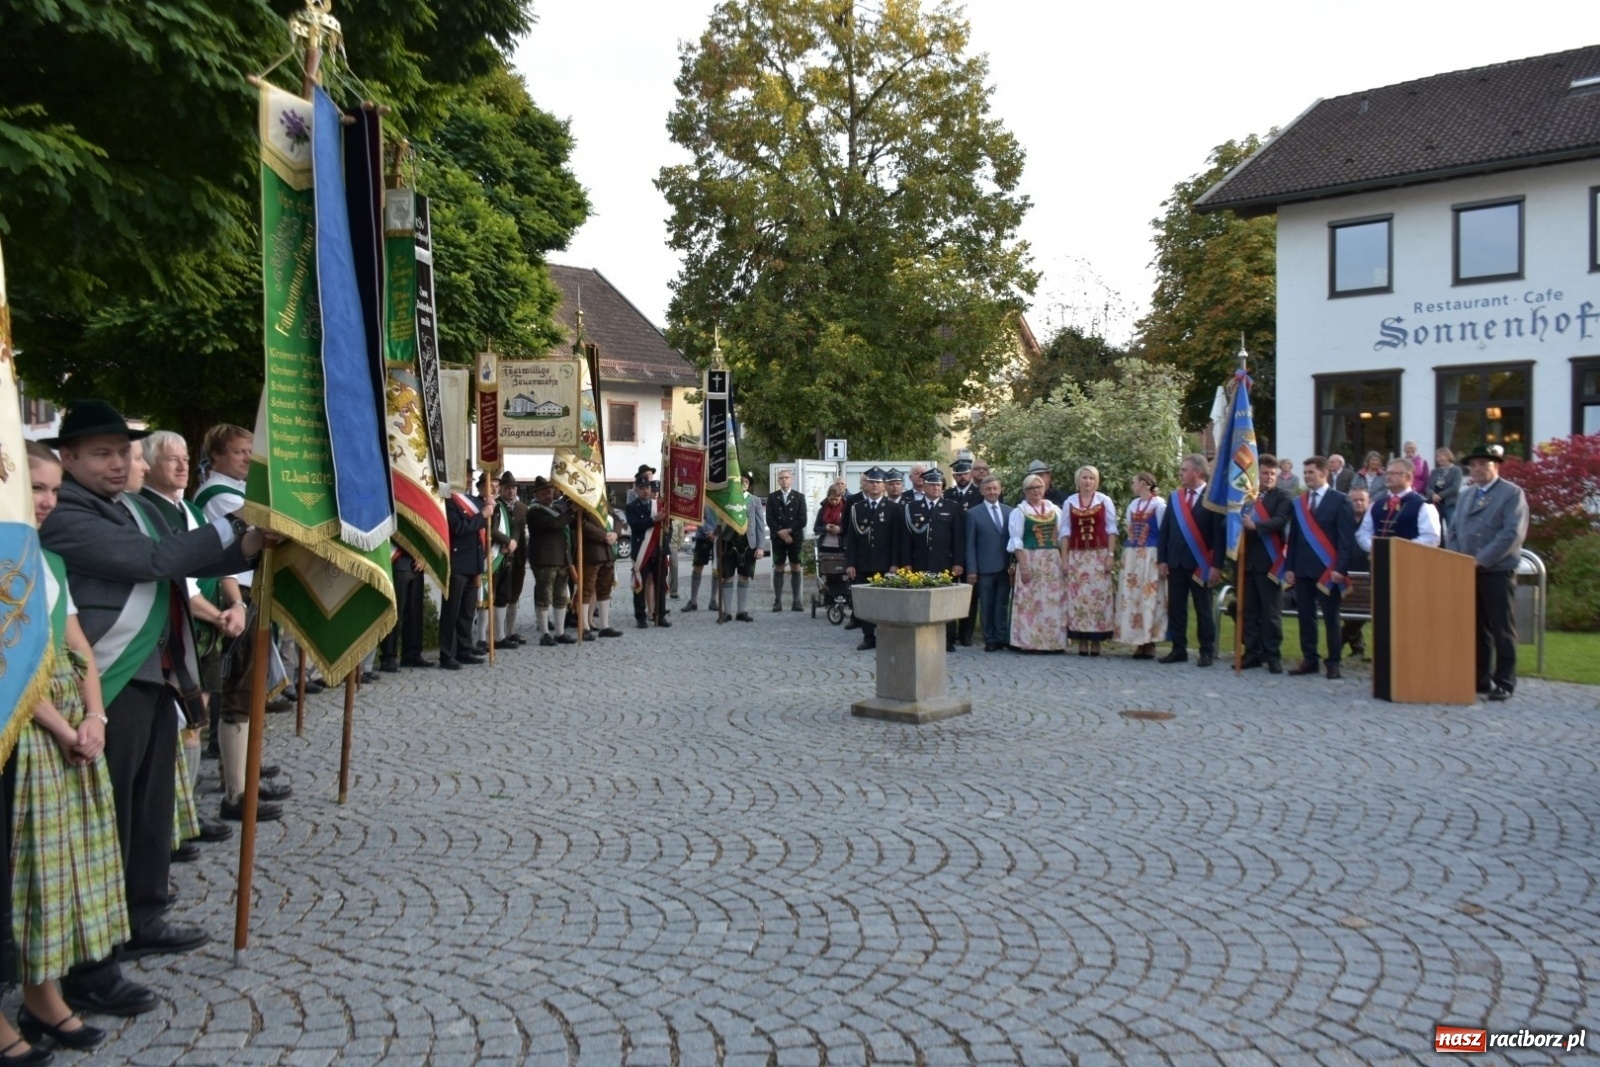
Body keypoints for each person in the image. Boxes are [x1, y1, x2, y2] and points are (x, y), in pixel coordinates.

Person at [39, 400, 269, 1017]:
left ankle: (142, 914)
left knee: (148, 814)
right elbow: (154, 562)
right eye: (102, 454)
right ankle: (92, 961)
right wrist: (239, 522)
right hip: (108, 684)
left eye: (124, 452)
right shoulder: (64, 516)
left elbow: (188, 559)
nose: (119, 464)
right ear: (69, 460)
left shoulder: (131, 508)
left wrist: (255, 537)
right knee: (105, 824)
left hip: (152, 677)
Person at [11, 443, 125, 1054]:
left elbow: (79, 646)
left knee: (67, 865)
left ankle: (45, 993)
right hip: (29, 728)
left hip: (74, 723)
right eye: (34, 487)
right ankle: (38, 996)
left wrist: (97, 714)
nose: (47, 500)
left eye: (53, 489)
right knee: (33, 869)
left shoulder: (48, 561)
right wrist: (62, 726)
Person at [1446, 444, 1529, 701]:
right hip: (1466, 570)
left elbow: (1511, 534)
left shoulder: (1512, 494)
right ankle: (1479, 679)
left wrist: (1480, 560)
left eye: (1485, 464)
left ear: (1497, 466)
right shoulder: (1466, 494)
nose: (1478, 468)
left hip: (1496, 570)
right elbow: (1453, 531)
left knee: (1501, 627)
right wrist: (1460, 558)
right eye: (1474, 465)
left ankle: (1504, 681)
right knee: (1477, 628)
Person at [1285, 456, 1357, 679]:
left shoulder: (1341, 500)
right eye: (1305, 473)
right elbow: (1294, 538)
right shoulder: (1300, 502)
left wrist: (1340, 569)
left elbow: (1346, 539)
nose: (1307, 476)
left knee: (1331, 618)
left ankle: (1333, 662)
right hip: (1303, 569)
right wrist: (1289, 567)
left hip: (1329, 570)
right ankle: (1310, 659)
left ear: (1324, 474)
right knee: (1306, 616)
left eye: (1311, 473)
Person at [1157, 453, 1226, 666]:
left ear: (1197, 472)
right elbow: (1165, 530)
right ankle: (1179, 649)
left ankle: (1206, 650)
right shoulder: (1175, 497)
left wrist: (1216, 566)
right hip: (1176, 562)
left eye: (1184, 469)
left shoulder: (1212, 498)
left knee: (1203, 608)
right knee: (1176, 608)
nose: (1181, 473)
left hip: (1200, 564)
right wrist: (1162, 559)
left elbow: (1219, 536)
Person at [1236, 455, 1292, 672]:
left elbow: (1280, 520)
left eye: (1272, 474)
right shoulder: (1247, 497)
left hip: (1271, 562)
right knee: (1249, 611)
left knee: (1270, 613)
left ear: (1277, 475)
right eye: (1264, 473)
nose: (1268, 477)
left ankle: (1273, 654)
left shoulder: (1283, 496)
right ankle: (1252, 652)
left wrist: (1255, 525)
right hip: (1247, 562)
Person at [901, 469, 965, 651]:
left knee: (945, 602)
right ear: (925, 486)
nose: (936, 488)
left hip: (944, 563)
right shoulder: (912, 508)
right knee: (920, 601)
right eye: (932, 484)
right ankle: (921, 638)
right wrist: (906, 562)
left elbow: (958, 538)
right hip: (920, 562)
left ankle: (948, 639)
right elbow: (906, 539)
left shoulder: (952, 507)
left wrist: (958, 562)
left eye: (939, 485)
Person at [1061, 466, 1117, 656]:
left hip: (1098, 556)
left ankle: (1097, 641)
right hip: (1077, 557)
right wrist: (1065, 559)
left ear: (1096, 481)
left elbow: (1111, 529)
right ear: (1078, 481)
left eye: (1091, 478)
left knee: (1098, 598)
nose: (1087, 482)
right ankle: (1082, 640)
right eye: (1084, 478)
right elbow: (1065, 532)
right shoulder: (1070, 502)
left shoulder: (1104, 501)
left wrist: (1110, 555)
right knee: (1079, 599)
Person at [843, 467, 900, 650]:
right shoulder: (857, 508)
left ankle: (884, 634)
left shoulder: (893, 508)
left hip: (884, 564)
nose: (875, 485)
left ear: (884, 485)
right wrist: (850, 563)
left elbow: (896, 539)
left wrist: (894, 563)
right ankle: (868, 637)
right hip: (863, 563)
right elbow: (851, 538)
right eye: (871, 482)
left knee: (885, 602)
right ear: (866, 485)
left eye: (878, 482)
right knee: (865, 602)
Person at [1008, 474, 1066, 652]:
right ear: (1026, 491)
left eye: (1039, 487)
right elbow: (1016, 541)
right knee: (1030, 601)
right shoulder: (1019, 512)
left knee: (1052, 600)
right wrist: (1023, 565)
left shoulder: (1054, 509)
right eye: (1032, 488)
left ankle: (1052, 642)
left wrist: (1064, 560)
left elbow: (1063, 536)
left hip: (1051, 560)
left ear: (1044, 489)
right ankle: (1030, 642)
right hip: (1030, 558)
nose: (1036, 491)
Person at [1114, 472, 1166, 659]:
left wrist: (1162, 558)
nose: (1132, 485)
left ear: (1143, 484)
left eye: (1134, 482)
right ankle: (1137, 639)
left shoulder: (1159, 505)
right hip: (1133, 555)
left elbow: (1163, 532)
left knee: (1149, 597)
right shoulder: (1133, 505)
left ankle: (1149, 640)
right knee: (1133, 596)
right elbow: (1129, 528)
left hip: (1151, 553)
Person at [524, 477, 577, 645]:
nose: (549, 494)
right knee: (544, 597)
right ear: (537, 494)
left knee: (561, 597)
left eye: (550, 491)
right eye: (544, 492)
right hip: (544, 560)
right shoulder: (534, 512)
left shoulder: (557, 507)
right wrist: (571, 512)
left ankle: (559, 632)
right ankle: (544, 633)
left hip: (562, 559)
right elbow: (554, 524)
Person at [439, 485, 487, 669]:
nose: (467, 479)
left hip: (473, 562)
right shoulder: (449, 501)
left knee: (467, 611)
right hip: (457, 562)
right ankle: (447, 653)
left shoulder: (474, 501)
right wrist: (483, 515)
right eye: (464, 475)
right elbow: (459, 528)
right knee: (452, 611)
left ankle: (464, 649)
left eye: (469, 476)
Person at [965, 475, 1014, 652]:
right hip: (984, 567)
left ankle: (1002, 637)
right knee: (986, 604)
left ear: (1000, 490)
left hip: (1005, 566)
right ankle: (990, 639)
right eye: (989, 489)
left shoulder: (1010, 511)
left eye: (995, 488)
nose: (992, 492)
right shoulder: (973, 513)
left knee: (1002, 603)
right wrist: (972, 570)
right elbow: (970, 544)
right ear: (982, 491)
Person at [716, 473, 770, 623]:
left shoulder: (755, 500)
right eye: (741, 481)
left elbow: (760, 525)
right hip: (729, 542)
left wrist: (760, 547)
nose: (743, 484)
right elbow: (718, 521)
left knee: (744, 576)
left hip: (748, 544)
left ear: (749, 484)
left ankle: (741, 611)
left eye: (746, 482)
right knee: (727, 577)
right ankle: (727, 612)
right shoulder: (727, 499)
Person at [1357, 459, 1442, 554]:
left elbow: (1431, 538)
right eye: (1387, 473)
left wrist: (1399, 548)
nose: (1388, 477)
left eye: (1393, 473)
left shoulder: (1424, 505)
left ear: (1408, 477)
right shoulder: (1376, 504)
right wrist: (1374, 546)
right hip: (1380, 562)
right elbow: (1362, 533)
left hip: (1412, 562)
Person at [489, 471, 528, 647]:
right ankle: (496, 634)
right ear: (501, 489)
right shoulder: (496, 505)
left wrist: (513, 543)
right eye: (507, 488)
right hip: (498, 556)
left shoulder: (522, 508)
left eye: (513, 487)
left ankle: (511, 631)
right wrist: (506, 543)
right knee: (498, 594)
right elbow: (492, 529)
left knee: (514, 595)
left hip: (517, 556)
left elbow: (517, 529)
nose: (511, 491)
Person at [627, 478, 670, 628]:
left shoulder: (658, 505)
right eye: (642, 488)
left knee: (660, 584)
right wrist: (653, 520)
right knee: (640, 585)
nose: (646, 490)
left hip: (658, 551)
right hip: (642, 552)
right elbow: (635, 526)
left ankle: (660, 615)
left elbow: (667, 526)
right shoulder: (632, 507)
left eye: (647, 487)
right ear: (636, 490)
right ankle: (641, 617)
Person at [379, 545, 429, 669]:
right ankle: (388, 656)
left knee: (415, 612)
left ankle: (411, 655)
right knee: (395, 611)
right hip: (398, 557)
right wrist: (415, 553)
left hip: (417, 563)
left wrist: (423, 556)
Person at [766, 468, 807, 612]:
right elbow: (769, 519)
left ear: (792, 480)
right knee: (779, 566)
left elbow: (802, 519)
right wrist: (781, 533)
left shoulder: (799, 497)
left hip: (794, 538)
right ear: (778, 481)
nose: (784, 480)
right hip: (778, 538)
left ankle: (796, 601)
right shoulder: (772, 497)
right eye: (781, 478)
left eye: (787, 477)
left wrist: (789, 531)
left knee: (796, 566)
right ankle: (777, 601)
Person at [579, 503, 623, 639]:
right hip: (593, 551)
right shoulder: (582, 502)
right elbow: (583, 524)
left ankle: (605, 625)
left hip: (608, 552)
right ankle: (584, 626)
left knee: (605, 589)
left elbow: (617, 519)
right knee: (587, 589)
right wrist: (604, 535)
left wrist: (616, 533)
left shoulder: (603, 502)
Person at [1339, 487, 1372, 660]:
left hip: (1367, 576)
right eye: (1355, 500)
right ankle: (1357, 649)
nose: (1358, 503)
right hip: (1346, 574)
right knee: (1349, 609)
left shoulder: (1372, 523)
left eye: (1362, 500)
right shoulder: (1343, 521)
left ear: (1369, 502)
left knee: (1359, 610)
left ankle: (1337, 642)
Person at [683, 507, 720, 614]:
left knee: (717, 568)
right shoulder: (703, 496)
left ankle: (713, 600)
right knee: (697, 568)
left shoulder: (722, 494)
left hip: (718, 537)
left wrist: (716, 534)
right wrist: (710, 532)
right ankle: (693, 601)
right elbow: (698, 517)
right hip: (703, 536)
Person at [1429, 447, 1463, 531]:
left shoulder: (1456, 470)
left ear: (1448, 456)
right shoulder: (1435, 471)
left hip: (1450, 505)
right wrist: (1432, 495)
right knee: (1437, 530)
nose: (1439, 459)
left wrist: (1439, 496)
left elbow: (1454, 487)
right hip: (1436, 505)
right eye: (1437, 457)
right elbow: (1429, 487)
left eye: (1441, 456)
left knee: (1451, 529)